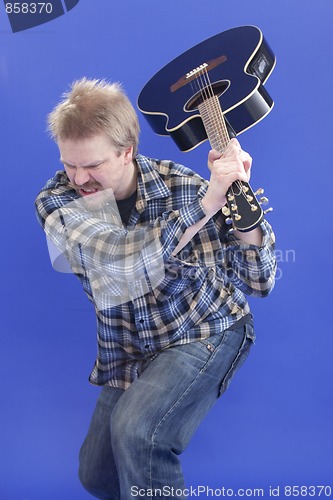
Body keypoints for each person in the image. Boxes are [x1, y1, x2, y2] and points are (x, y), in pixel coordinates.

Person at [35, 78, 276, 500]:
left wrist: (243, 212)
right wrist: (205, 207)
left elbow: (259, 281)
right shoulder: (57, 202)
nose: (78, 178)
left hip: (207, 329)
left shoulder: (181, 185)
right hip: (131, 346)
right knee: (96, 474)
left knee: (138, 432)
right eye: (69, 164)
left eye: (91, 165)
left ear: (127, 150)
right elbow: (121, 263)